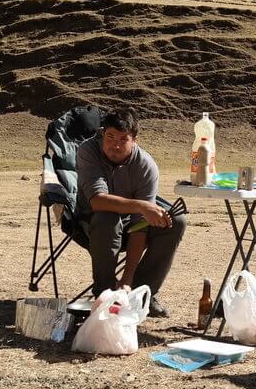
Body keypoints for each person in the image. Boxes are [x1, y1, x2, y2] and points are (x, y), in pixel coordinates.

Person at [76, 107, 186, 316]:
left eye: (123, 139)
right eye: (110, 137)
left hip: (129, 225)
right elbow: (98, 201)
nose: (115, 145)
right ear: (102, 133)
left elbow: (140, 226)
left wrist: (127, 279)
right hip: (91, 220)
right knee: (108, 217)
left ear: (134, 140)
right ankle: (105, 293)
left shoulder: (146, 165)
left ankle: (140, 294)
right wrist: (142, 206)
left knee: (176, 221)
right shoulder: (88, 150)